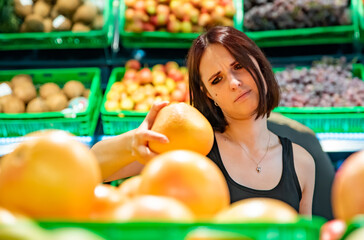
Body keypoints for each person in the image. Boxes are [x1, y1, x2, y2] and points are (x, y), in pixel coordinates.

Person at [91, 26, 315, 216]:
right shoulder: (193, 145)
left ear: (258, 63)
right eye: (217, 80)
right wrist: (133, 142)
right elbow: (90, 167)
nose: (234, 83)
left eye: (238, 66)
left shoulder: (302, 163)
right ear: (209, 94)